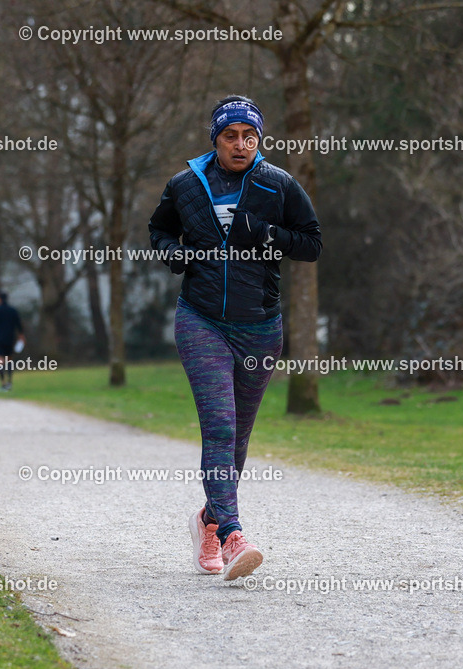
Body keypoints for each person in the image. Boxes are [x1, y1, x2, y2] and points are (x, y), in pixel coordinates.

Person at [148, 95, 322, 580]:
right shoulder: (185, 185)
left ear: (259, 140)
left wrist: (266, 233)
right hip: (201, 320)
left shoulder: (278, 183)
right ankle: (232, 534)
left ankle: (207, 520)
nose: (241, 144)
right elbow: (159, 230)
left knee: (238, 438)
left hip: (260, 328)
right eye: (230, 136)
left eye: (250, 136)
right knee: (220, 428)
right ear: (216, 140)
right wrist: (173, 253)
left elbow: (311, 244)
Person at [0, 291, 25, 391]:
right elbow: (18, 324)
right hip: (10, 338)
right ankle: (10, 381)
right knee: (9, 359)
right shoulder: (12, 310)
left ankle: (3, 382)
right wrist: (21, 335)